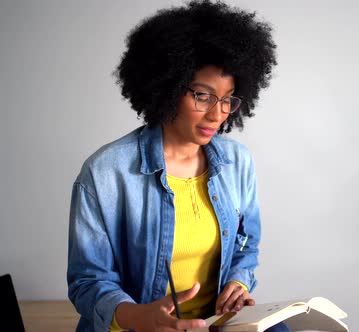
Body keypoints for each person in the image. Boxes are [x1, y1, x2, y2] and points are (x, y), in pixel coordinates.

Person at [66, 1, 286, 331]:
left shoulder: (237, 162)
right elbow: (87, 281)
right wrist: (139, 317)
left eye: (228, 99)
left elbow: (246, 244)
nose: (218, 113)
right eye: (202, 95)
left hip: (214, 323)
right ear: (167, 88)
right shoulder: (106, 174)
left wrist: (239, 284)